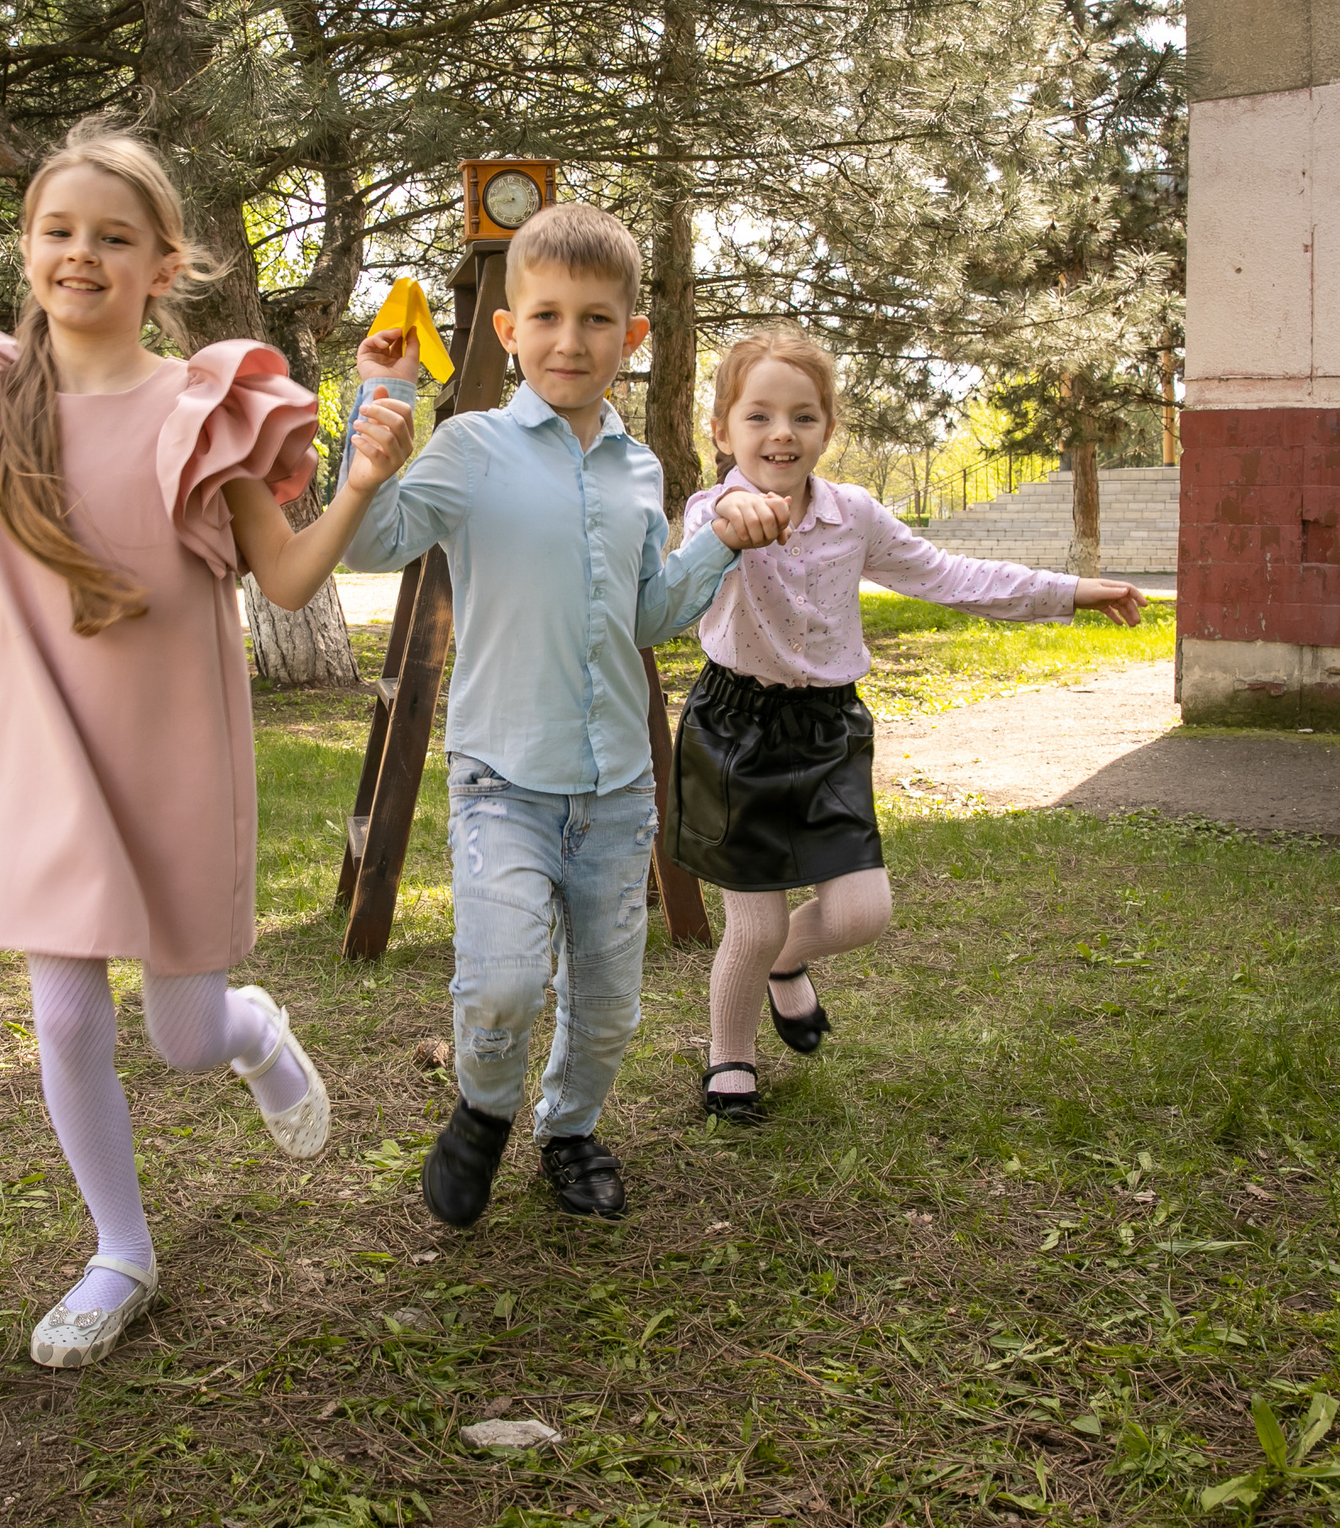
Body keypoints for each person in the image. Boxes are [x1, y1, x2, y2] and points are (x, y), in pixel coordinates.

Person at [0, 122, 416, 1369]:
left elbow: (283, 584)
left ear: (162, 264)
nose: (82, 255)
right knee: (66, 1018)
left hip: (176, 751)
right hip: (48, 750)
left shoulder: (208, 405)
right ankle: (120, 1250)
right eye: (58, 232)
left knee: (181, 1038)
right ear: (27, 252)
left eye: (113, 237)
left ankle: (254, 1033)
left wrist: (355, 483)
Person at [336, 205, 791, 1227]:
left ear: (630, 338)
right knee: (500, 987)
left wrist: (719, 541)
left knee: (605, 1001)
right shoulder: (469, 447)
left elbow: (649, 614)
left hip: (618, 790)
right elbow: (371, 544)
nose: (569, 341)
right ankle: (483, 1113)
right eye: (545, 316)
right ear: (508, 331)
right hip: (502, 777)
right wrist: (378, 406)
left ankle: (570, 1130)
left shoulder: (637, 468)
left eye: (595, 320)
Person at [674, 329, 1145, 1122]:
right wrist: (731, 515)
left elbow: (950, 574)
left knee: (863, 912)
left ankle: (788, 966)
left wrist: (1071, 589)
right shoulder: (715, 509)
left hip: (827, 732)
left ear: (828, 429)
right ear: (722, 432)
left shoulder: (851, 514)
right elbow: (690, 549)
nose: (780, 434)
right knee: (749, 927)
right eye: (757, 417)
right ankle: (732, 1055)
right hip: (736, 731)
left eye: (803, 416)